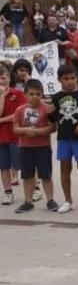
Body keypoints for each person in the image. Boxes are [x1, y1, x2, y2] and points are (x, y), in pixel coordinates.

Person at [50, 64, 78, 214]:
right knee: (65, 168)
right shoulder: (55, 98)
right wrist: (48, 112)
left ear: (77, 78)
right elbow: (53, 119)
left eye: (72, 78)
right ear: (59, 80)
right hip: (63, 139)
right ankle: (68, 201)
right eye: (66, 79)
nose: (69, 81)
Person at [13, 79, 57, 213]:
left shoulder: (46, 109)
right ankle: (28, 201)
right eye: (31, 94)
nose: (35, 97)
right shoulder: (20, 110)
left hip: (43, 147)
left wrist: (37, 131)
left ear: (42, 94)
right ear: (25, 94)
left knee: (46, 175)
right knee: (27, 175)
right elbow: (15, 129)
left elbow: (53, 128)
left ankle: (50, 200)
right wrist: (26, 131)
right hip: (25, 147)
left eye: (38, 94)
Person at [0, 67, 24, 205]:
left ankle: (34, 188)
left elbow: (18, 114)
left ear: (9, 78)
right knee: (3, 166)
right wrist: (2, 96)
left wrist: (2, 120)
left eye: (3, 78)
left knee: (23, 164)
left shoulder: (18, 94)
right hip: (2, 137)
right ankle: (8, 192)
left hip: (16, 136)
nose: (1, 81)